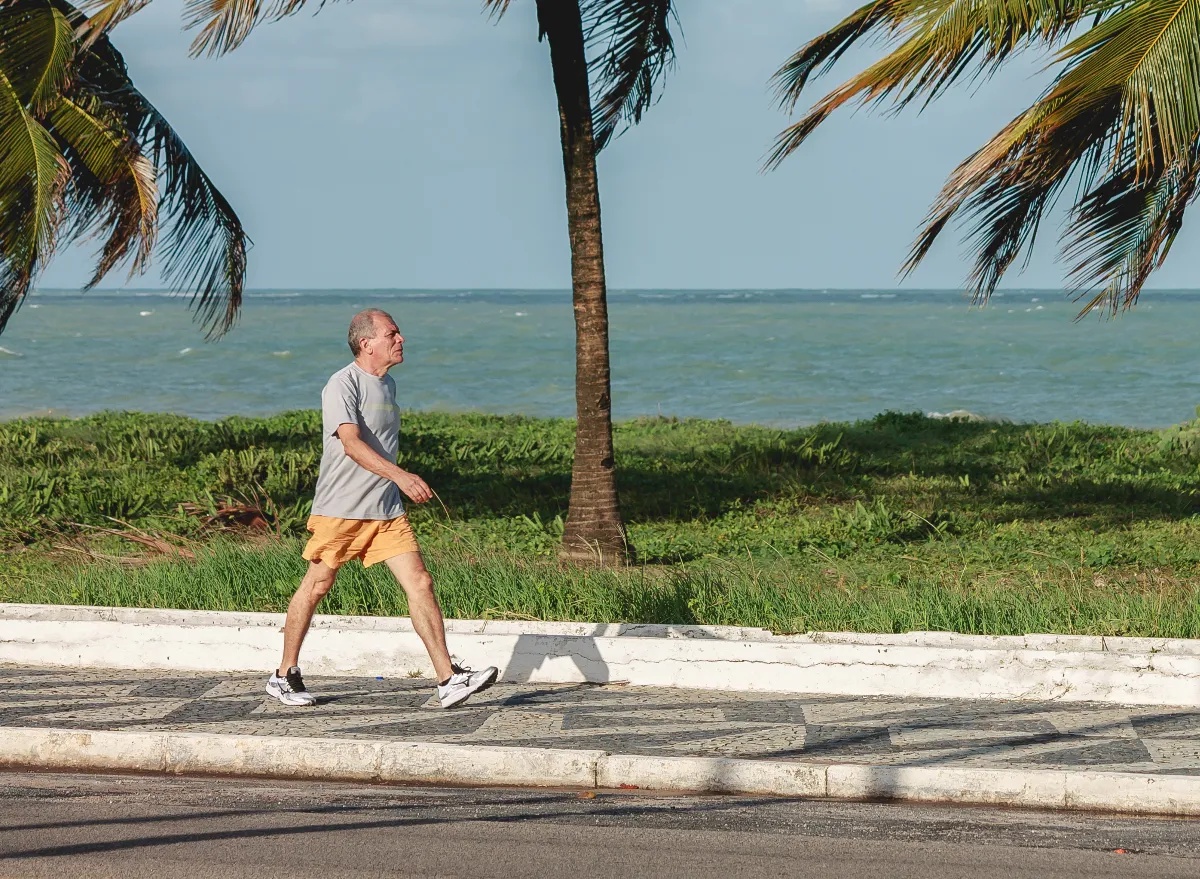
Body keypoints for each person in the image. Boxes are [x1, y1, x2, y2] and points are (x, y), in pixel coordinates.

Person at [266, 308, 497, 708]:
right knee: (318, 585)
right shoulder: (342, 384)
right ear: (366, 342)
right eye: (392, 333)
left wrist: (392, 484)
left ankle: (448, 679)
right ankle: (284, 674)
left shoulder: (387, 384)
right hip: (342, 508)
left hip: (385, 511)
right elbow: (351, 443)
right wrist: (401, 476)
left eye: (399, 333)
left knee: (420, 583)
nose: (401, 338)